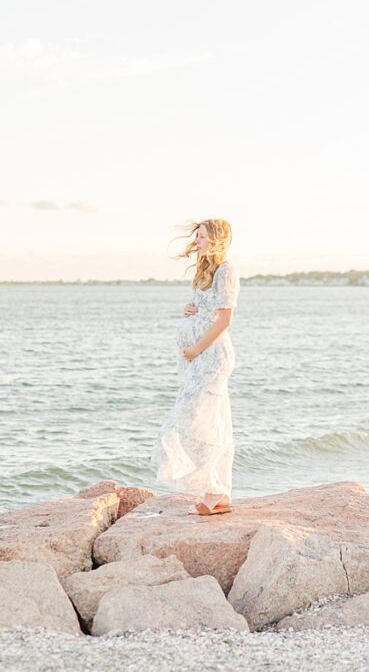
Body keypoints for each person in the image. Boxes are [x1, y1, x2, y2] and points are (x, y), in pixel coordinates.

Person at [152, 219, 240, 516]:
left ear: (216, 239)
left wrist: (196, 349)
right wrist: (188, 311)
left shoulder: (227, 271)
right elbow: (204, 308)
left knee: (200, 421)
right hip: (198, 356)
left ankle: (216, 492)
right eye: (198, 236)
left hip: (212, 356)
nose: (198, 242)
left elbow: (224, 320)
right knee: (203, 421)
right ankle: (217, 493)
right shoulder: (206, 270)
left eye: (202, 237)